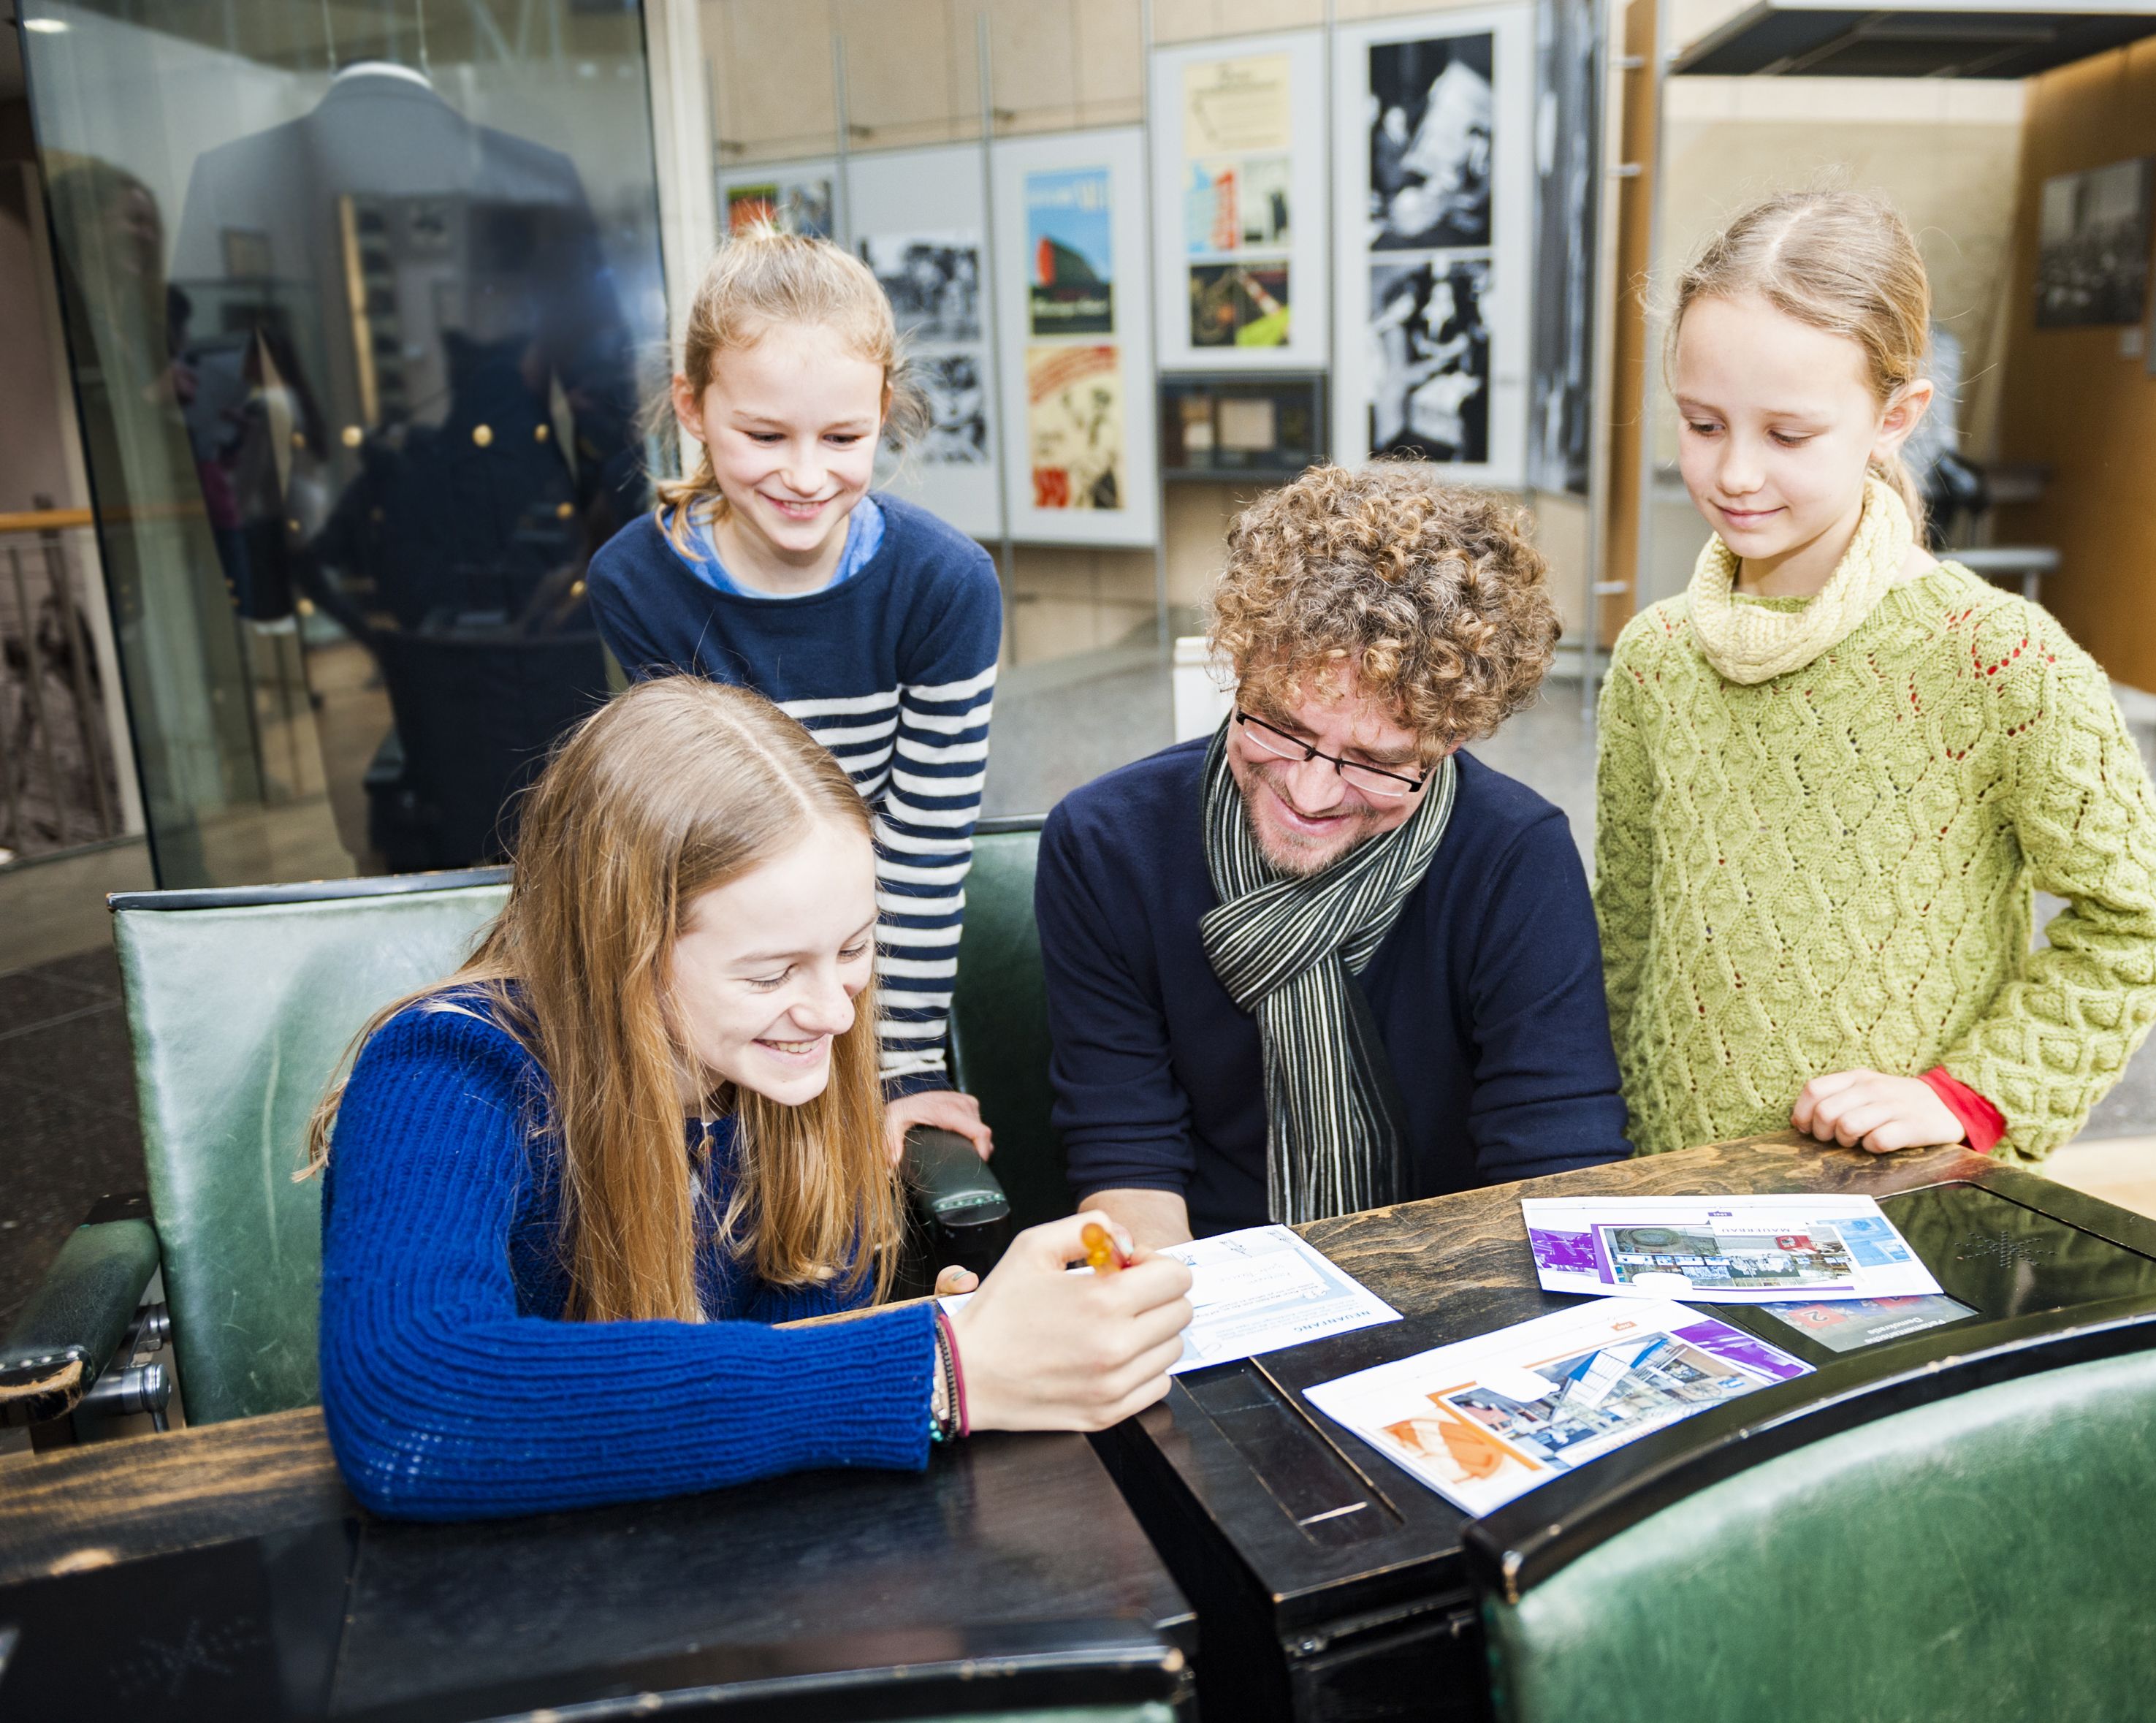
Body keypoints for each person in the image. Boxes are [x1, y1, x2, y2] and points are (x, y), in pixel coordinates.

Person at [308, 677, 1191, 1521]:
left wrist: (941, 1336)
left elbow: (791, 1365)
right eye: (769, 973)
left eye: (853, 948)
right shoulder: (443, 1068)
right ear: (622, 949)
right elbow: (413, 1405)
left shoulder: (788, 1062)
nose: (836, 1012)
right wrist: (935, 1369)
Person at [1595, 190, 2156, 1163]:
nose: (1735, 472)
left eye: (1786, 435)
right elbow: (1626, 933)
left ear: (1894, 415)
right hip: (1673, 1183)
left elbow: (2140, 918)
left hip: (1900, 1195)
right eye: (1701, 423)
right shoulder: (1655, 657)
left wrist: (1968, 1095)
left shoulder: (1992, 655)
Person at [1037, 465, 1630, 1250]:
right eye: (1279, 726)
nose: (1312, 794)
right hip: (1208, 1275)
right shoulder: (1108, 845)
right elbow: (1129, 1157)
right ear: (1242, 664)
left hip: (1457, 1274)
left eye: (1377, 760)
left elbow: (1557, 1167)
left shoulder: (1512, 856)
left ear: (1450, 738)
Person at [587, 227, 999, 1163]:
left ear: (885, 411)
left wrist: (901, 1066)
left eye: (845, 438)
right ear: (692, 407)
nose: (808, 476)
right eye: (765, 435)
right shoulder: (634, 581)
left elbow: (926, 849)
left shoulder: (946, 586)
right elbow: (689, 839)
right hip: (720, 977)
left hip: (866, 971)